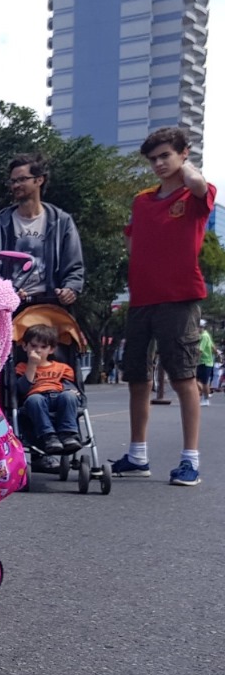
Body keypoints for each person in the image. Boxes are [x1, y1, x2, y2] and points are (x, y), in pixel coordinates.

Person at [112, 127, 216, 487]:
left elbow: (200, 186)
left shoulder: (195, 194)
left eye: (165, 156)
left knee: (183, 377)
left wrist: (187, 167)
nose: (158, 164)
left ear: (184, 153)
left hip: (179, 299)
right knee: (136, 378)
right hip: (142, 300)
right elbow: (133, 242)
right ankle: (137, 455)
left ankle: (190, 460)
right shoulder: (142, 200)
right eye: (153, 159)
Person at [0, 153, 85, 306]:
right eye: (13, 181)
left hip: (51, 305)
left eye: (22, 179)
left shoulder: (62, 222)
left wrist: (70, 289)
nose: (15, 185)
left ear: (39, 180)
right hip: (11, 307)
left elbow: (74, 266)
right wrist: (7, 292)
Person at [14, 323, 81, 454]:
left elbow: (68, 384)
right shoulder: (22, 367)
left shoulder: (62, 368)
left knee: (69, 396)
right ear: (25, 346)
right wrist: (32, 365)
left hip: (59, 395)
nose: (38, 350)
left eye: (43, 347)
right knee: (34, 400)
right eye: (33, 346)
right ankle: (48, 436)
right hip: (35, 398)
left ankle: (67, 434)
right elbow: (22, 389)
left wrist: (71, 391)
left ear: (51, 349)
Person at [197, 319, 214, 406]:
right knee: (199, 381)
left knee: (203, 382)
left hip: (204, 362)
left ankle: (206, 398)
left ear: (201, 327)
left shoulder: (204, 336)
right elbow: (212, 346)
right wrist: (217, 353)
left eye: (198, 327)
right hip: (206, 362)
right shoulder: (206, 335)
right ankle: (205, 394)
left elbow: (200, 350)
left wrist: (194, 360)